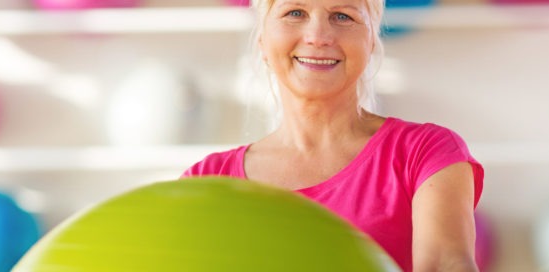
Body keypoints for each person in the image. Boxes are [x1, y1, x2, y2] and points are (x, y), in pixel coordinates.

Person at [182, 0, 484, 271]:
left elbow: (446, 264)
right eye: (295, 12)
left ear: (371, 42)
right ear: (262, 39)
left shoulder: (425, 152)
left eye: (342, 16)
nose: (318, 36)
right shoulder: (207, 180)